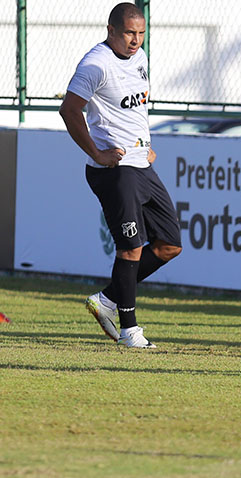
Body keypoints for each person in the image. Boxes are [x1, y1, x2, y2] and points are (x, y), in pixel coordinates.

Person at [60, 3, 182, 348]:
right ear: (112, 29)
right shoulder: (95, 64)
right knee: (130, 247)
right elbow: (69, 109)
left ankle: (108, 299)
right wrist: (96, 153)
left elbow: (135, 106)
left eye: (141, 33)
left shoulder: (140, 58)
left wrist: (146, 143)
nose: (136, 40)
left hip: (141, 162)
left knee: (170, 244)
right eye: (130, 33)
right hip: (114, 170)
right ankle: (129, 329)